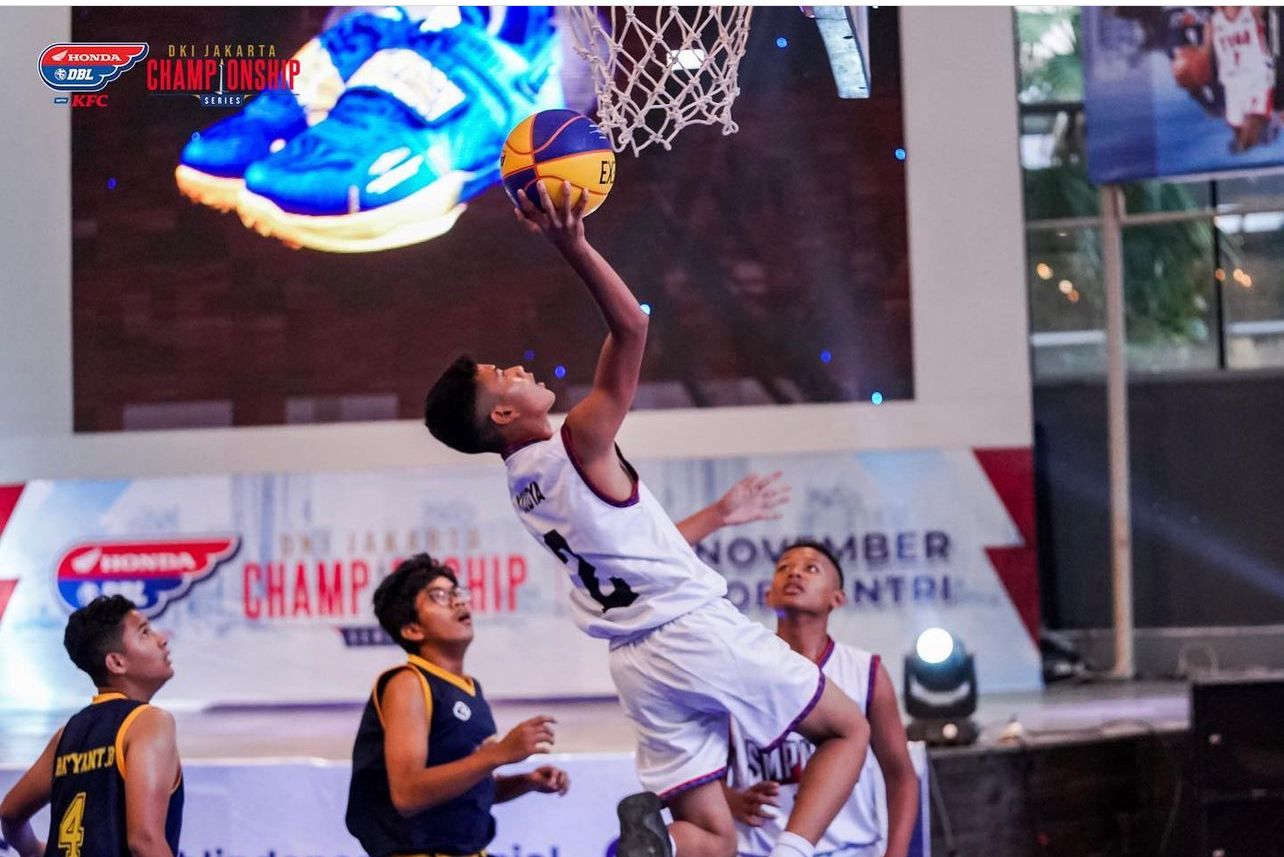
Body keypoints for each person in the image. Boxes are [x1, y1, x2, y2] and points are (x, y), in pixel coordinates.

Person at [423, 180, 871, 857]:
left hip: (637, 665)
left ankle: (649, 846)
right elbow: (632, 325)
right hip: (694, 633)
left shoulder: (524, 485)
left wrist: (717, 515)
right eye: (501, 373)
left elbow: (636, 555)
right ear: (505, 413)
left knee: (714, 837)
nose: (516, 366)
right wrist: (572, 246)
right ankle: (794, 853)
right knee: (847, 729)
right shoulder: (577, 441)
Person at [346, 554, 570, 857]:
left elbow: (468, 785)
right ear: (412, 629)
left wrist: (525, 782)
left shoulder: (470, 688)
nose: (458, 602)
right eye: (438, 596)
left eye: (457, 592)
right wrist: (498, 754)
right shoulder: (408, 683)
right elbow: (408, 794)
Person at [723, 542, 918, 857]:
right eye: (784, 568)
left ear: (837, 598)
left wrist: (895, 853)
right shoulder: (740, 670)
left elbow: (901, 775)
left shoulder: (865, 671)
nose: (794, 573)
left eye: (811, 568)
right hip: (760, 851)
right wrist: (729, 799)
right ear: (768, 596)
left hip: (849, 850)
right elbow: (699, 768)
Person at [0, 595, 183, 857]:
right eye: (144, 632)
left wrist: (36, 851)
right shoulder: (149, 722)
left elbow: (9, 813)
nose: (162, 638)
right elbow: (144, 841)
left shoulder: (66, 735)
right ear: (116, 662)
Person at [1207, 6, 1276, 152]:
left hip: (1230, 71)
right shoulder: (1263, 107)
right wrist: (1245, 143)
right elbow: (1255, 121)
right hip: (1254, 71)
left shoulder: (1234, 116)